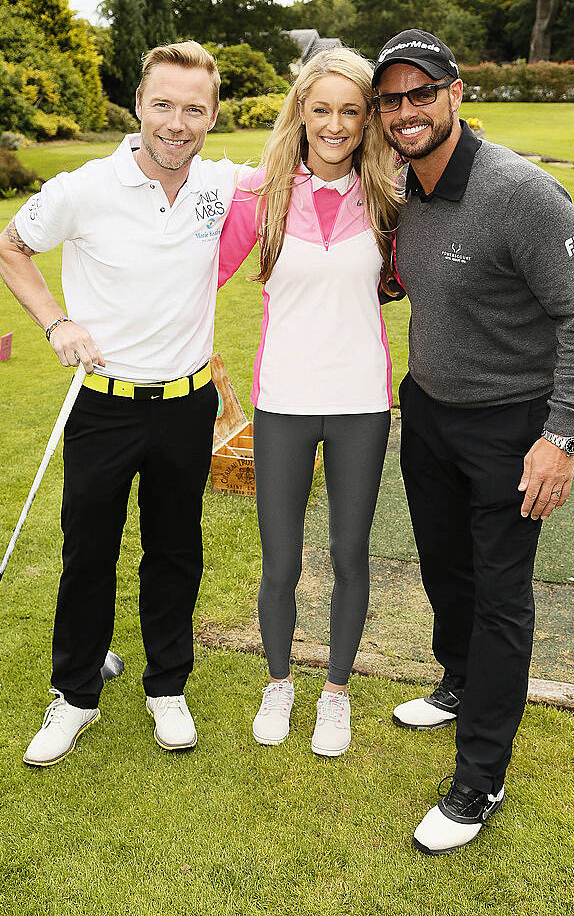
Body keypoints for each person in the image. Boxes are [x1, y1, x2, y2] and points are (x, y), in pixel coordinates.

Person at [371, 29, 574, 854]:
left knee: (501, 596)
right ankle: (459, 680)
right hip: (430, 409)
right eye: (391, 99)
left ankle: (482, 777)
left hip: (513, 423)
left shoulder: (522, 194)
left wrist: (561, 438)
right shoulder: (403, 189)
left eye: (420, 93)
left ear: (456, 93)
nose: (406, 111)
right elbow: (405, 279)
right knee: (444, 564)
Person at [0, 41, 242, 764]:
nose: (177, 122)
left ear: (213, 114)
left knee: (175, 551)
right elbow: (10, 247)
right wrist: (56, 322)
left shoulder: (223, 185)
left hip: (187, 405)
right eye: (163, 104)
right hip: (102, 405)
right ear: (138, 105)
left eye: (194, 109)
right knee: (88, 553)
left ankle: (167, 688)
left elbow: (307, 160)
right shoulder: (84, 187)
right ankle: (74, 696)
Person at [218, 47, 402, 757]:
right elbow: (197, 274)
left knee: (350, 553)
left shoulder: (388, 196)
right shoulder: (261, 194)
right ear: (300, 111)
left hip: (360, 403)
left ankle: (335, 693)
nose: (334, 124)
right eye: (320, 108)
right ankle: (278, 682)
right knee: (281, 562)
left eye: (350, 111)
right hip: (284, 401)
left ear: (366, 120)